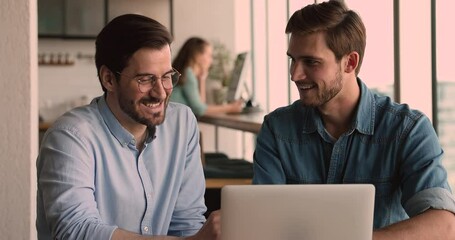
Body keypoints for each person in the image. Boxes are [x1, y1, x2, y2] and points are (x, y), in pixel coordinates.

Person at [252, 1, 455, 239]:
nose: (295, 74)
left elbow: (444, 225)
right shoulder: (277, 129)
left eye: (311, 62)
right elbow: (261, 220)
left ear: (350, 62)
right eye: (292, 59)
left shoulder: (407, 129)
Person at [36, 14, 220, 240]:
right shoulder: (69, 136)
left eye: (167, 76)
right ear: (109, 79)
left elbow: (186, 222)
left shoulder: (182, 124)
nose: (161, 92)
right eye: (145, 79)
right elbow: (76, 230)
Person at [170, 37, 244, 117]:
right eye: (209, 55)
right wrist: (230, 108)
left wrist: (202, 80)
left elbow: (201, 104)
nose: (211, 61)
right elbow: (200, 109)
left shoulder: (187, 73)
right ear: (197, 56)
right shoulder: (188, 74)